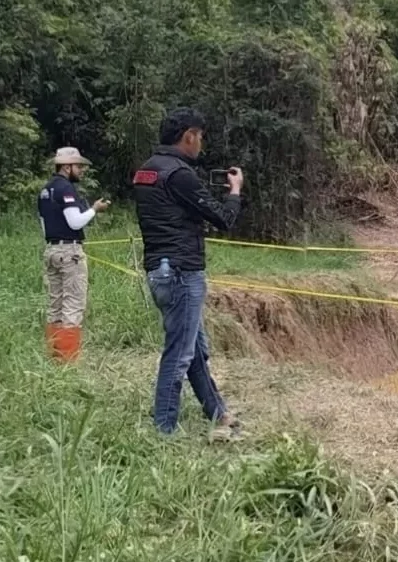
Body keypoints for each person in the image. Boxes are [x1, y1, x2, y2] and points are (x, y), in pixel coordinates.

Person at [133, 107, 245, 439]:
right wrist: (235, 190)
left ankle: (217, 411)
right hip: (183, 272)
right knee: (179, 354)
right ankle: (164, 430)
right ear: (189, 136)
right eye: (200, 137)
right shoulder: (179, 174)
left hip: (159, 270)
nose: (201, 144)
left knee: (192, 347)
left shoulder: (146, 171)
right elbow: (223, 217)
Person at [37, 147, 111, 363]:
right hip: (70, 252)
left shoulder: (45, 190)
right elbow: (75, 221)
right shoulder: (66, 189)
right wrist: (95, 209)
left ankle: (54, 355)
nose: (82, 170)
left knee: (55, 305)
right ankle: (68, 361)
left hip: (51, 249)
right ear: (67, 167)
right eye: (78, 166)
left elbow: (43, 225)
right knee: (72, 304)